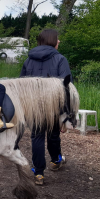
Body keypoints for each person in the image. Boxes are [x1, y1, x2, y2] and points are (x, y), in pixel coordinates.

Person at [20, 29, 72, 185]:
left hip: (34, 106)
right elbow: (65, 88)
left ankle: (39, 173)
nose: (59, 41)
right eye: (58, 39)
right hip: (53, 106)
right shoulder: (60, 59)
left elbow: (22, 85)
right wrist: (65, 116)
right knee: (53, 135)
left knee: (36, 137)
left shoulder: (28, 60)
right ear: (52, 41)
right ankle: (56, 160)